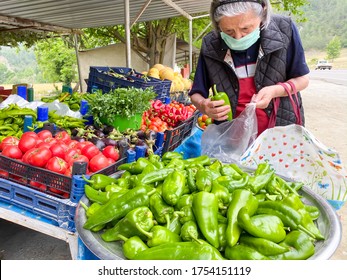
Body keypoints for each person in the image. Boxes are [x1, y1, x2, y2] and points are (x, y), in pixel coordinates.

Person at [189, 0, 309, 135]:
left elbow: (302, 79)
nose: (238, 37)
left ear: (263, 12)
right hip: (232, 138)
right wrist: (204, 106)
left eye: (246, 28)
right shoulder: (211, 44)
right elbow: (196, 93)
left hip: (280, 134)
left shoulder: (284, 29)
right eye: (229, 31)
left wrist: (275, 91)